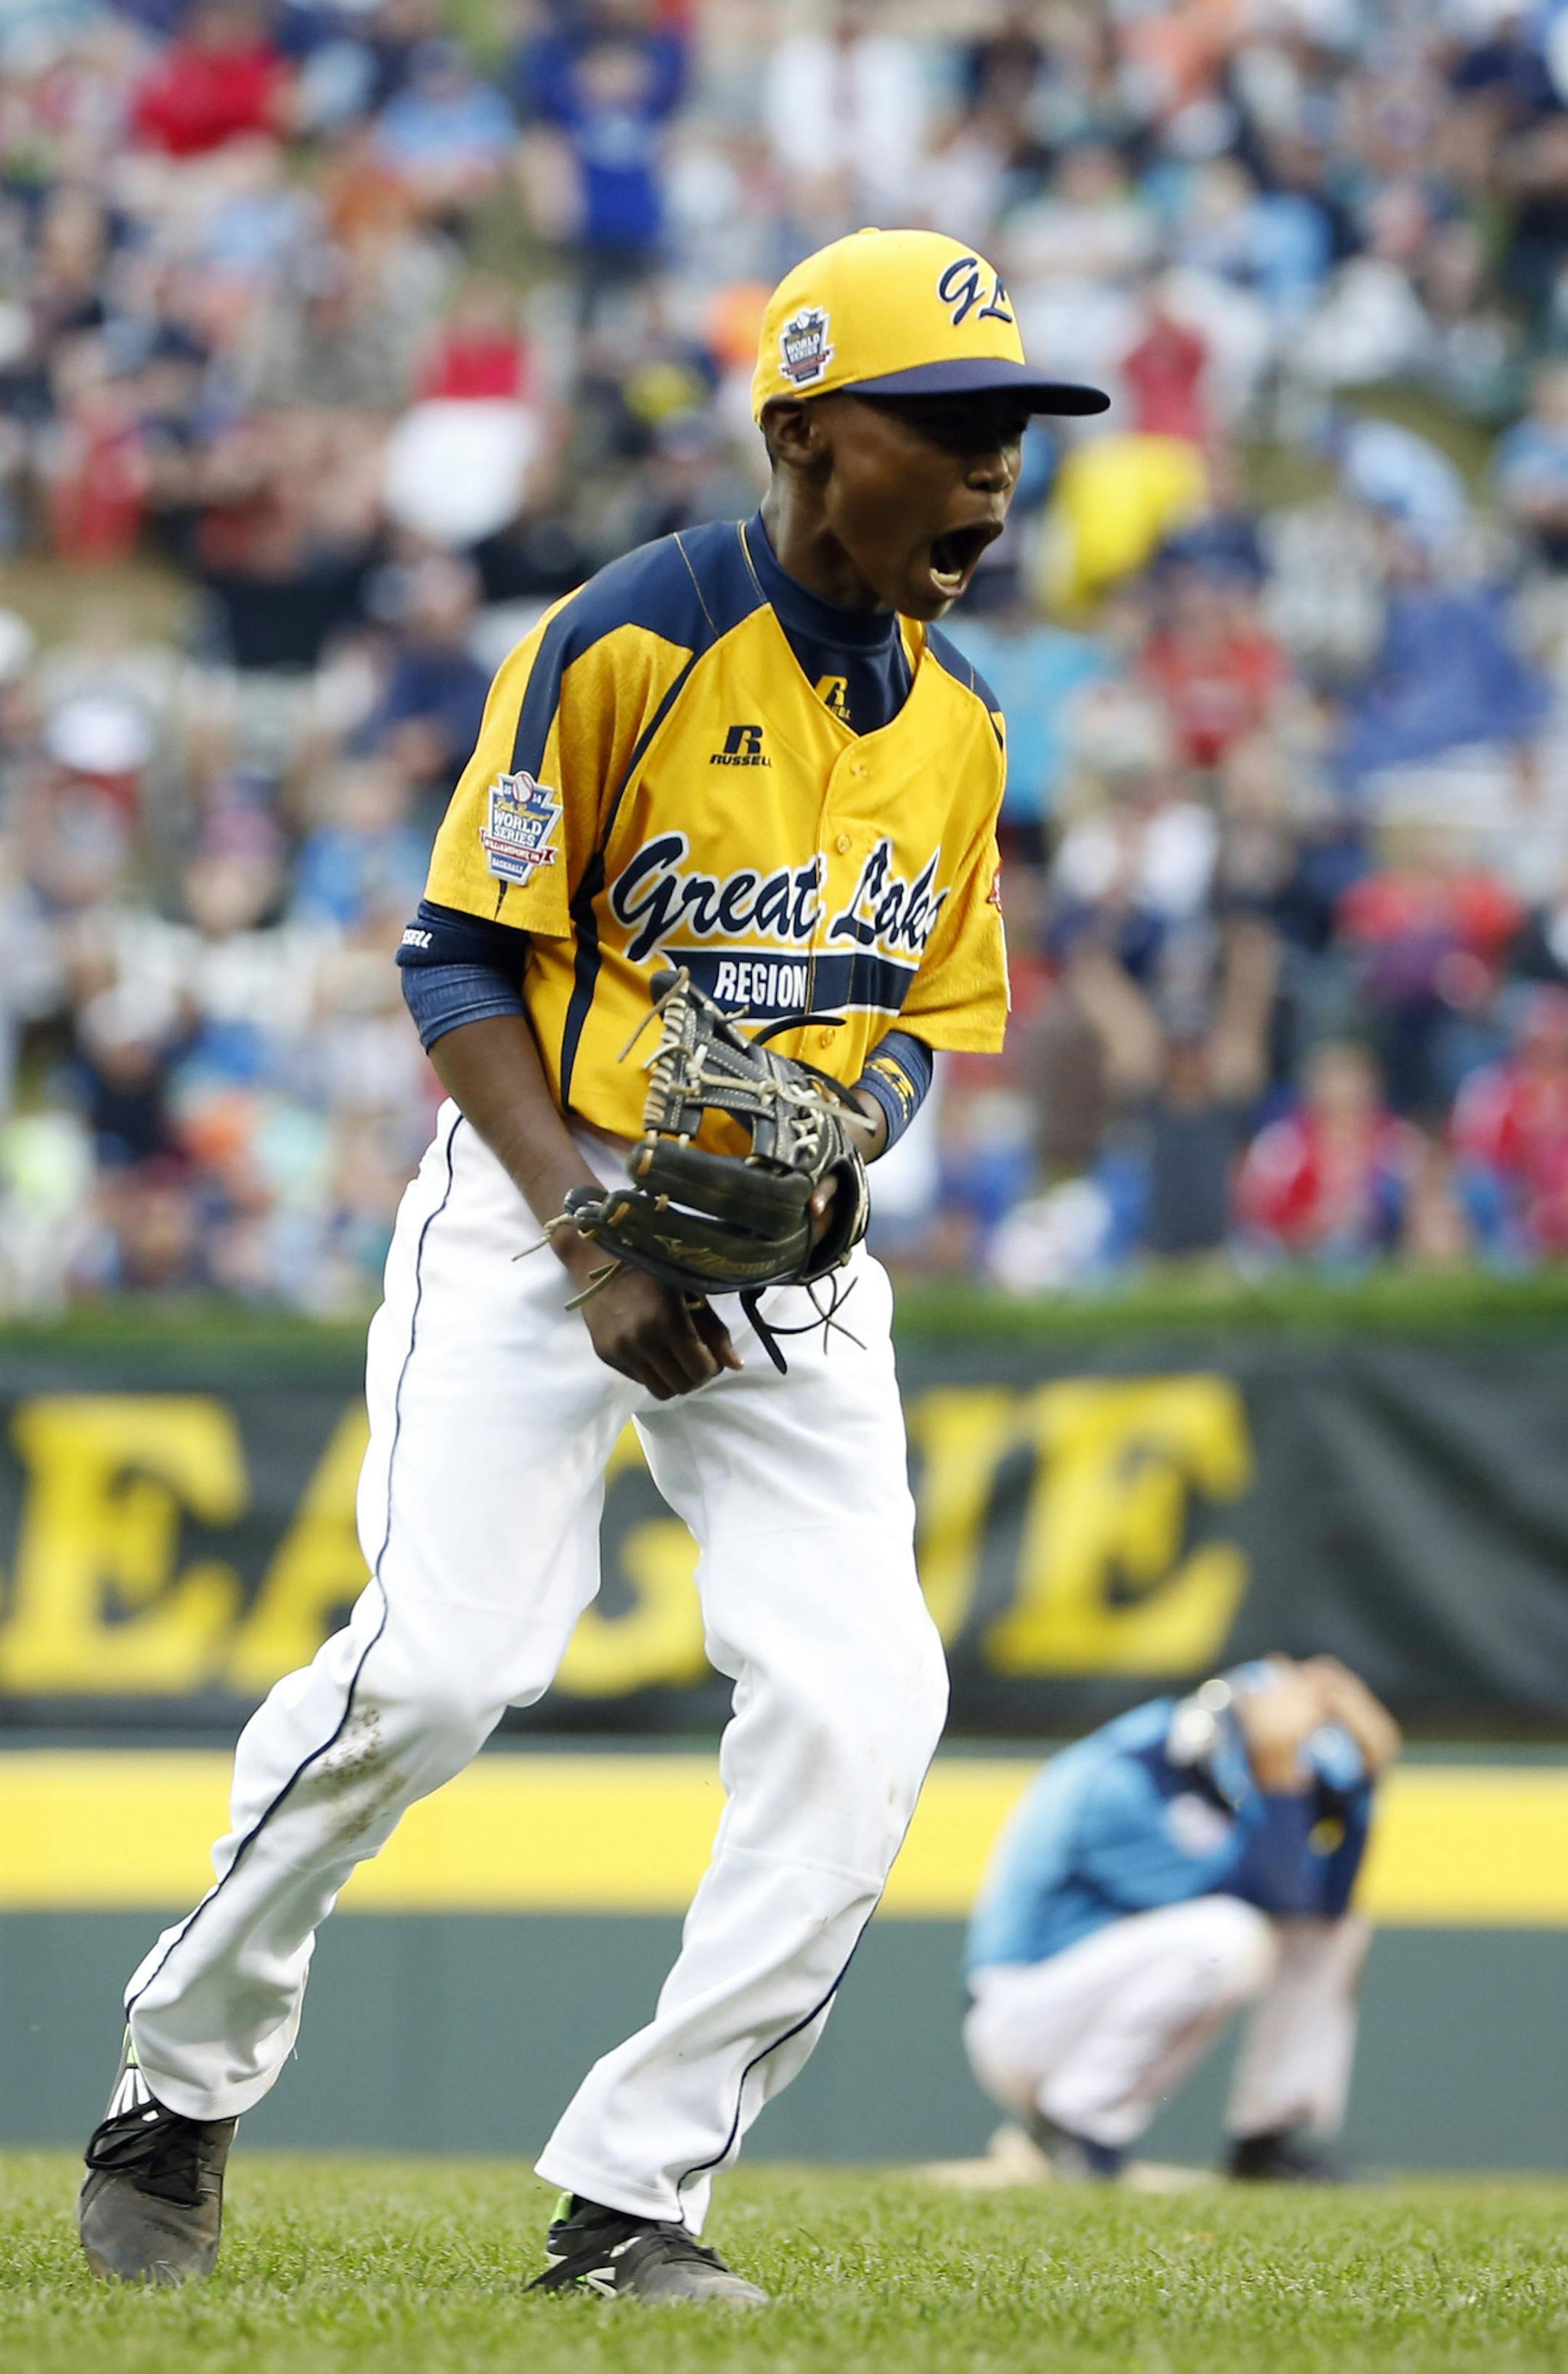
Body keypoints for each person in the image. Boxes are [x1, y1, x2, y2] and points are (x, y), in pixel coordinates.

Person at [77, 227, 1109, 2304]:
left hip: (785, 1257)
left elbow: (921, 1011)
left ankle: (637, 2196)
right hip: (542, 1193)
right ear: (812, 430)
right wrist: (585, 1234)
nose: (1000, 478)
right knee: (442, 1664)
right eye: (957, 428)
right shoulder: (628, 637)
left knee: (866, 1695)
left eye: (1018, 436)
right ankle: (176, 2084)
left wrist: (855, 1148)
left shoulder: (968, 724)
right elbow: (453, 955)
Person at [963, 1656, 1399, 2184]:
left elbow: (1322, 1907)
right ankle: (1072, 2129)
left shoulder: (1207, 1771)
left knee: (1335, 1931)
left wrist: (1366, 1786)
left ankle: (1266, 2145)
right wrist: (1280, 1769)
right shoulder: (1121, 1774)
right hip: (1026, 2018)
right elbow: (1270, 1897)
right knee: (1228, 1934)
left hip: (1091, 2002)